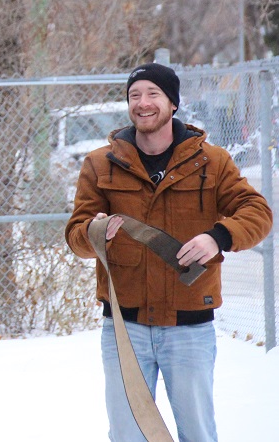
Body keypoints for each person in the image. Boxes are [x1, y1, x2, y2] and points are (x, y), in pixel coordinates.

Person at [65, 62, 272, 442]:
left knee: (197, 432)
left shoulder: (211, 161)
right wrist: (95, 233)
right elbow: (75, 235)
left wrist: (218, 237)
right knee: (127, 433)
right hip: (125, 327)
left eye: (152, 94)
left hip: (189, 326)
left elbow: (258, 212)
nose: (143, 103)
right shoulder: (100, 164)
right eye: (134, 95)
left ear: (173, 102)